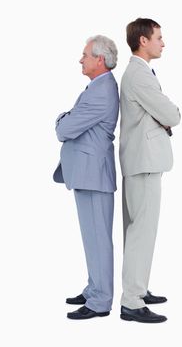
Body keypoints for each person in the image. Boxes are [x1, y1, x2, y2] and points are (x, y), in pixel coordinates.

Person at [119, 18, 181, 323]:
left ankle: (137, 290)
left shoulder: (140, 73)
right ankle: (131, 301)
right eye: (158, 37)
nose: (162, 42)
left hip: (141, 161)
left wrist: (162, 116)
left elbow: (159, 113)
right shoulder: (139, 74)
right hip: (143, 162)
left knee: (140, 232)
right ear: (143, 40)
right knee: (141, 233)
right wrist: (169, 116)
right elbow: (170, 113)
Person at [53, 35, 119, 320]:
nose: (81, 60)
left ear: (99, 59)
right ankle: (95, 288)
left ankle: (100, 301)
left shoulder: (102, 90)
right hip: (88, 174)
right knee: (92, 238)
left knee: (98, 239)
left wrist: (61, 119)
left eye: (85, 55)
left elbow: (64, 129)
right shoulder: (97, 87)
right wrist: (67, 118)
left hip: (94, 175)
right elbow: (71, 122)